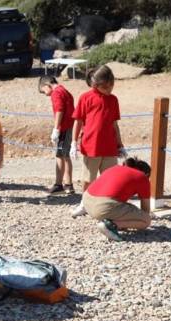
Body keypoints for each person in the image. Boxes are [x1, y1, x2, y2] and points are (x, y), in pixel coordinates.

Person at [70, 65, 126, 217]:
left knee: (109, 179)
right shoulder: (85, 97)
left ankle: (107, 206)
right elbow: (78, 121)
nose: (109, 90)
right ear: (96, 85)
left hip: (109, 146)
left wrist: (120, 145)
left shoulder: (113, 100)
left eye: (111, 85)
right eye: (106, 87)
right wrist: (73, 142)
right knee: (89, 178)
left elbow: (115, 124)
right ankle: (84, 204)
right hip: (91, 146)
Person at [82, 157, 152, 241]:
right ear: (146, 174)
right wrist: (136, 221)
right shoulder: (142, 177)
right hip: (102, 207)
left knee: (122, 206)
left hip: (87, 202)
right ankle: (111, 225)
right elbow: (145, 209)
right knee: (146, 220)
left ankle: (112, 222)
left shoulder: (115, 168)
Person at [38, 76, 75, 195]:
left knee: (60, 156)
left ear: (47, 85)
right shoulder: (64, 90)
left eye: (43, 91)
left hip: (63, 128)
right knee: (66, 155)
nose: (46, 95)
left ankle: (59, 184)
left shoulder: (56, 93)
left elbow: (59, 110)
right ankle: (69, 185)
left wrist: (56, 128)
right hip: (69, 126)